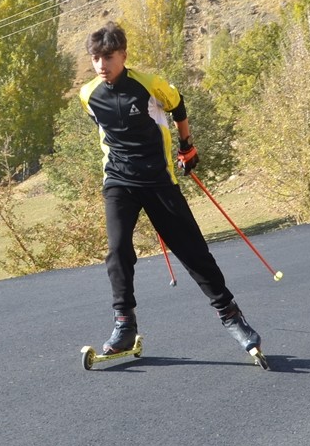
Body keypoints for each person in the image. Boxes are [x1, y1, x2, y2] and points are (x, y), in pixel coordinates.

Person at [78, 21, 261, 357]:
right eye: (96, 59)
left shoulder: (149, 86)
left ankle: (231, 316)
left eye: (108, 57)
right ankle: (124, 323)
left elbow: (178, 106)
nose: (101, 65)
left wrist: (186, 146)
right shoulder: (88, 95)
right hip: (118, 180)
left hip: (159, 179)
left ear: (124, 55)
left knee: (193, 253)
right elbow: (106, 131)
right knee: (117, 251)